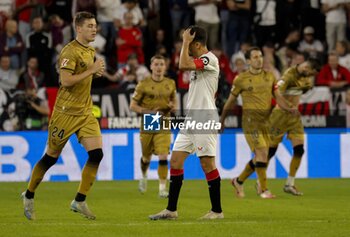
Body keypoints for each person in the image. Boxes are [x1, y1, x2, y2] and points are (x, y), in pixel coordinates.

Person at [21, 11, 105, 220]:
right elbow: (66, 81)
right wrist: (91, 69)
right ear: (79, 28)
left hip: (85, 112)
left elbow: (84, 75)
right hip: (64, 113)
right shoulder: (69, 51)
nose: (94, 29)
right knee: (51, 158)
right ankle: (29, 194)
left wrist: (94, 71)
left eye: (95, 25)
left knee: (96, 154)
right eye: (90, 26)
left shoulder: (90, 50)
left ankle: (79, 200)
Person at [149, 25, 224, 220]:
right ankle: (171, 210)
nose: (186, 48)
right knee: (175, 161)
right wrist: (184, 42)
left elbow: (182, 65)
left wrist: (185, 41)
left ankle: (217, 211)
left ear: (197, 44)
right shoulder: (199, 60)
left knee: (207, 163)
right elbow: (183, 63)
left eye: (190, 44)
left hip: (204, 118)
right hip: (191, 119)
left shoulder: (210, 59)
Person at [220, 47, 297, 199]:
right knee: (262, 152)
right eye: (255, 57)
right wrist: (221, 120)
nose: (259, 59)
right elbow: (230, 102)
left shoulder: (269, 76)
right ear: (248, 61)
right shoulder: (240, 79)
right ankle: (263, 190)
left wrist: (289, 108)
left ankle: (238, 181)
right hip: (250, 122)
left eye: (260, 56)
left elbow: (278, 97)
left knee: (260, 157)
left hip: (266, 122)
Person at [263, 59, 321, 195]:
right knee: (270, 151)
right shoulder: (289, 75)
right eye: (310, 72)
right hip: (280, 116)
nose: (310, 76)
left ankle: (289, 184)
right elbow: (275, 93)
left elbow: (304, 90)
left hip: (294, 117)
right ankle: (261, 183)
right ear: (306, 67)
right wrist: (288, 107)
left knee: (299, 150)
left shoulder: (307, 79)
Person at [130, 54, 177, 198]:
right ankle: (144, 175)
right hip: (149, 120)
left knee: (163, 155)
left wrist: (172, 107)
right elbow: (133, 106)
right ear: (151, 67)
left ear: (165, 66)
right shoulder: (143, 84)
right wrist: (149, 112)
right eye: (156, 64)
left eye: (161, 64)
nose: (158, 67)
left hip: (164, 120)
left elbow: (175, 103)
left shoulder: (171, 83)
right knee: (146, 157)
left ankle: (162, 188)